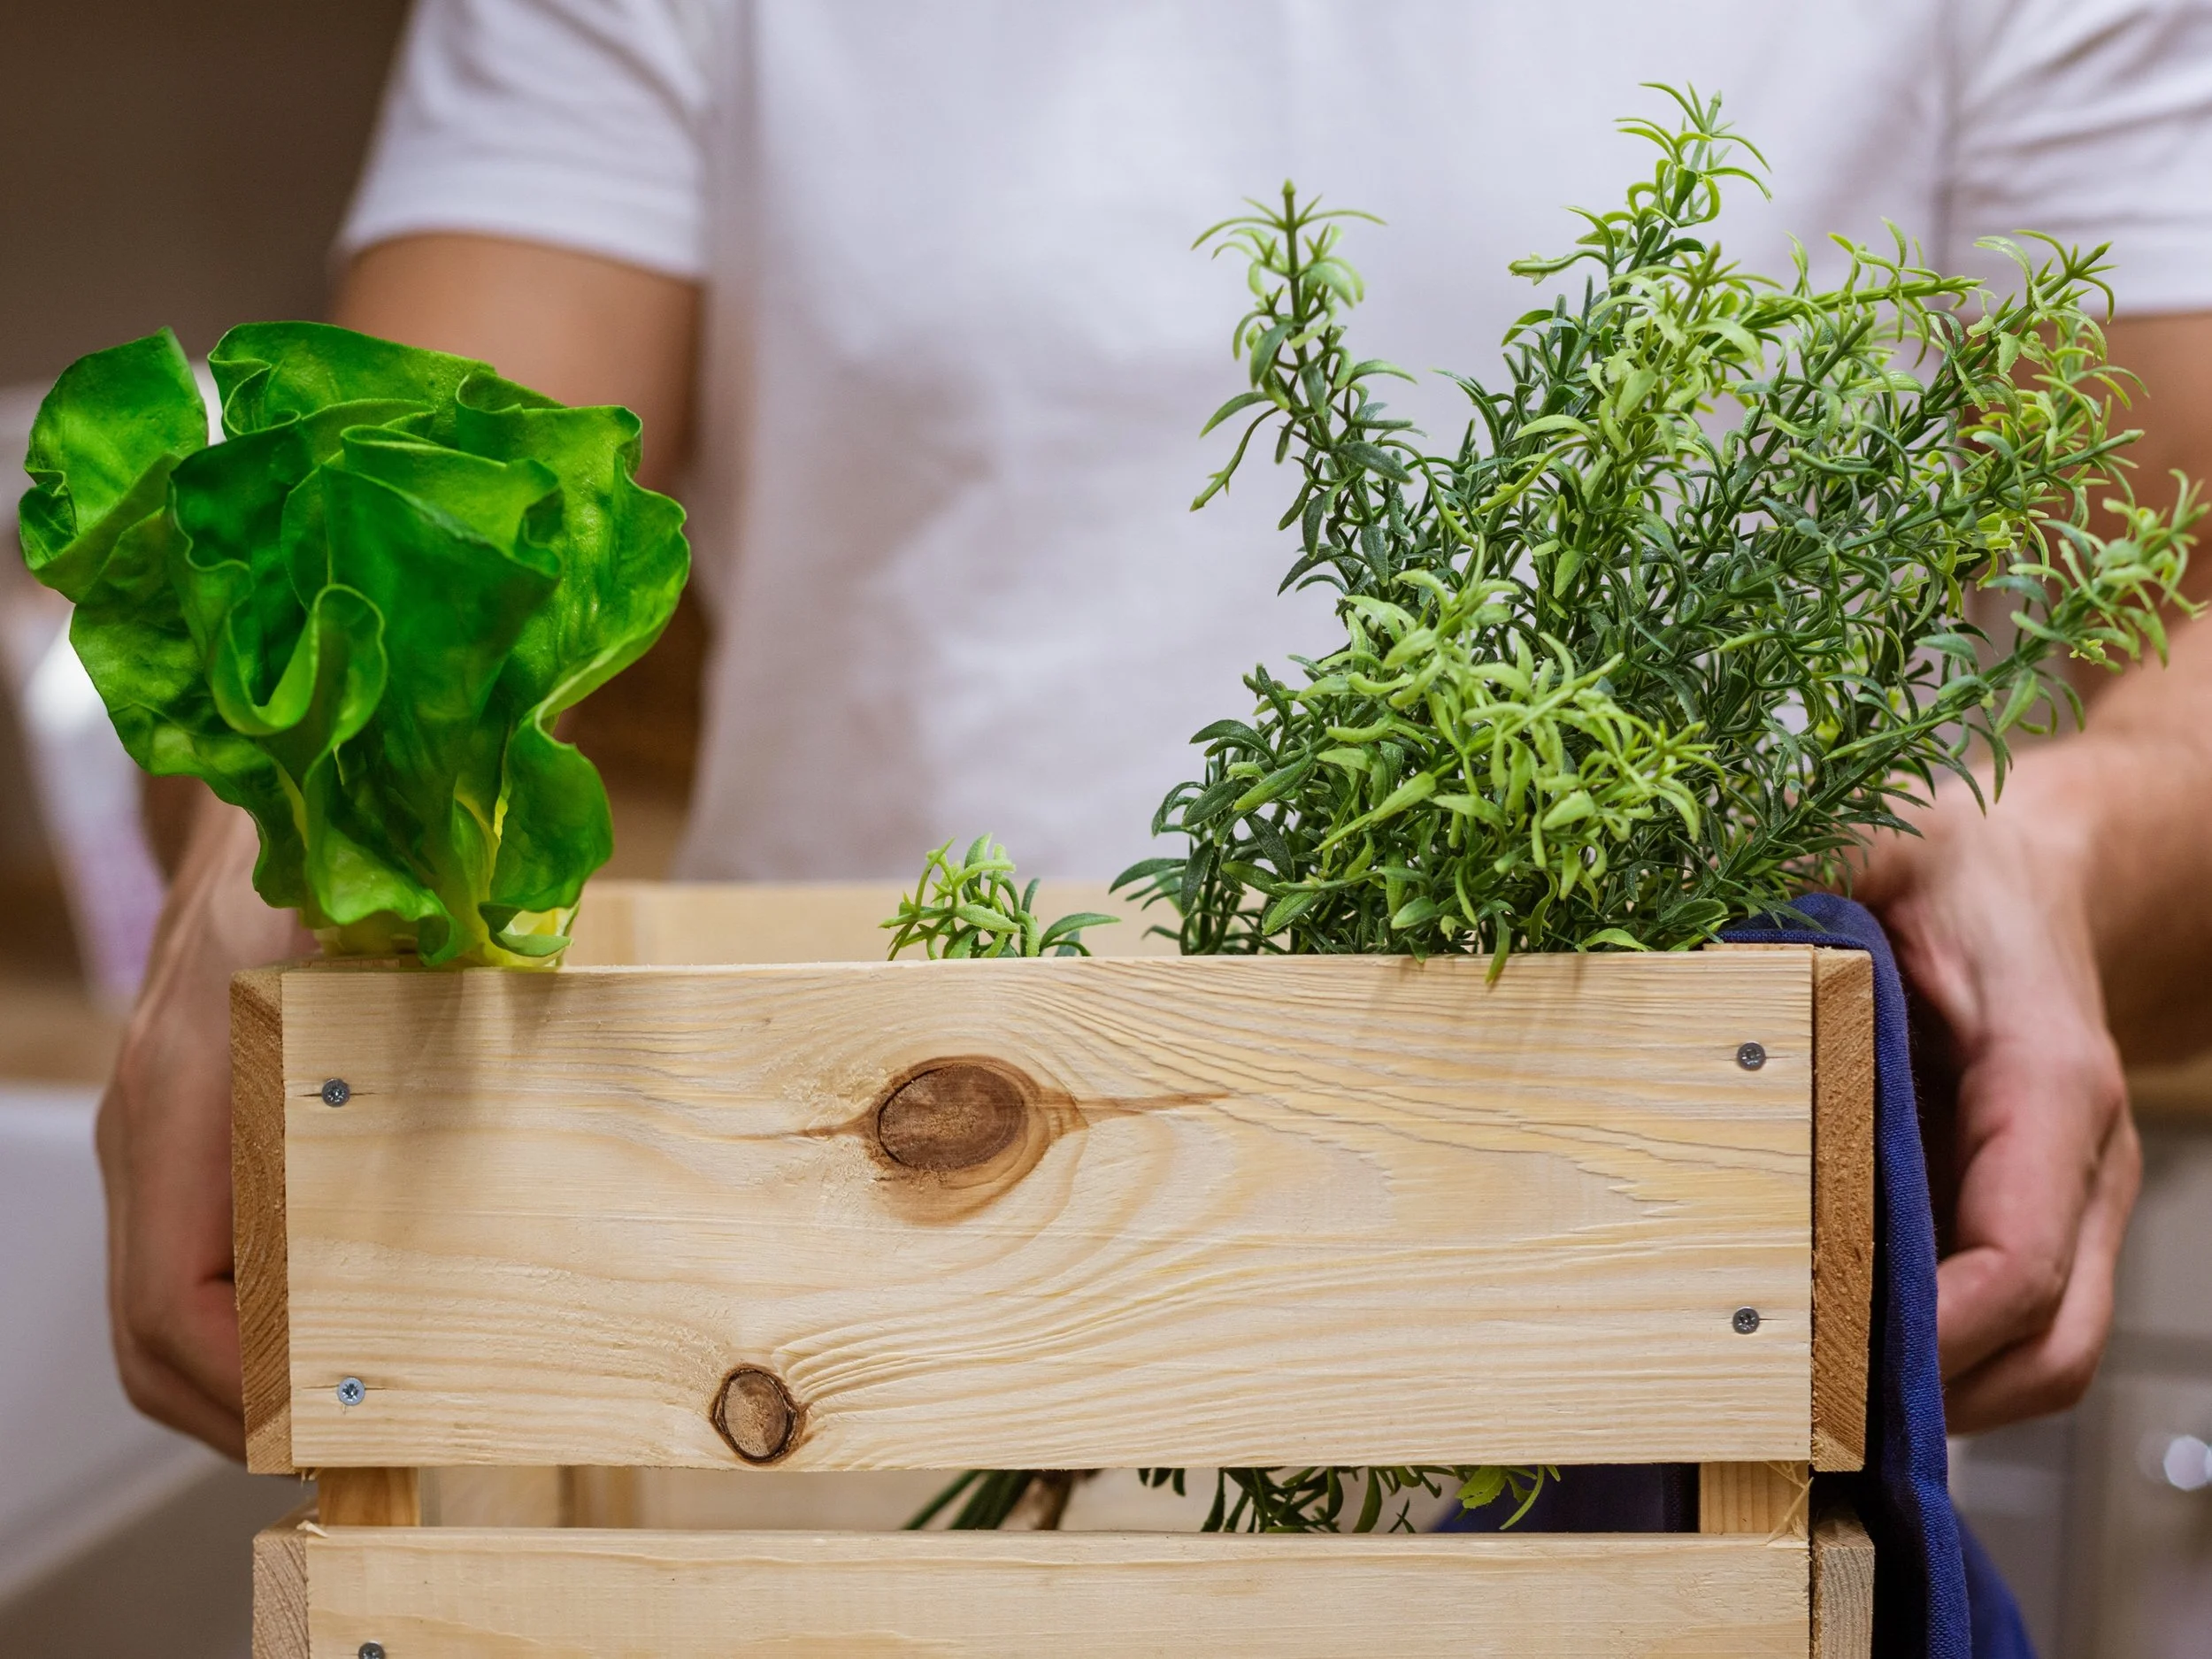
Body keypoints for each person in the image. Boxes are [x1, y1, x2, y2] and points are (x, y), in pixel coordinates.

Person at [94, 0, 2212, 1460]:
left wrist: (2065, 845)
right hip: (817, 1343)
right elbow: (405, 485)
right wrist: (288, 818)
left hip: (1647, 1337)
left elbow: (2187, 599)